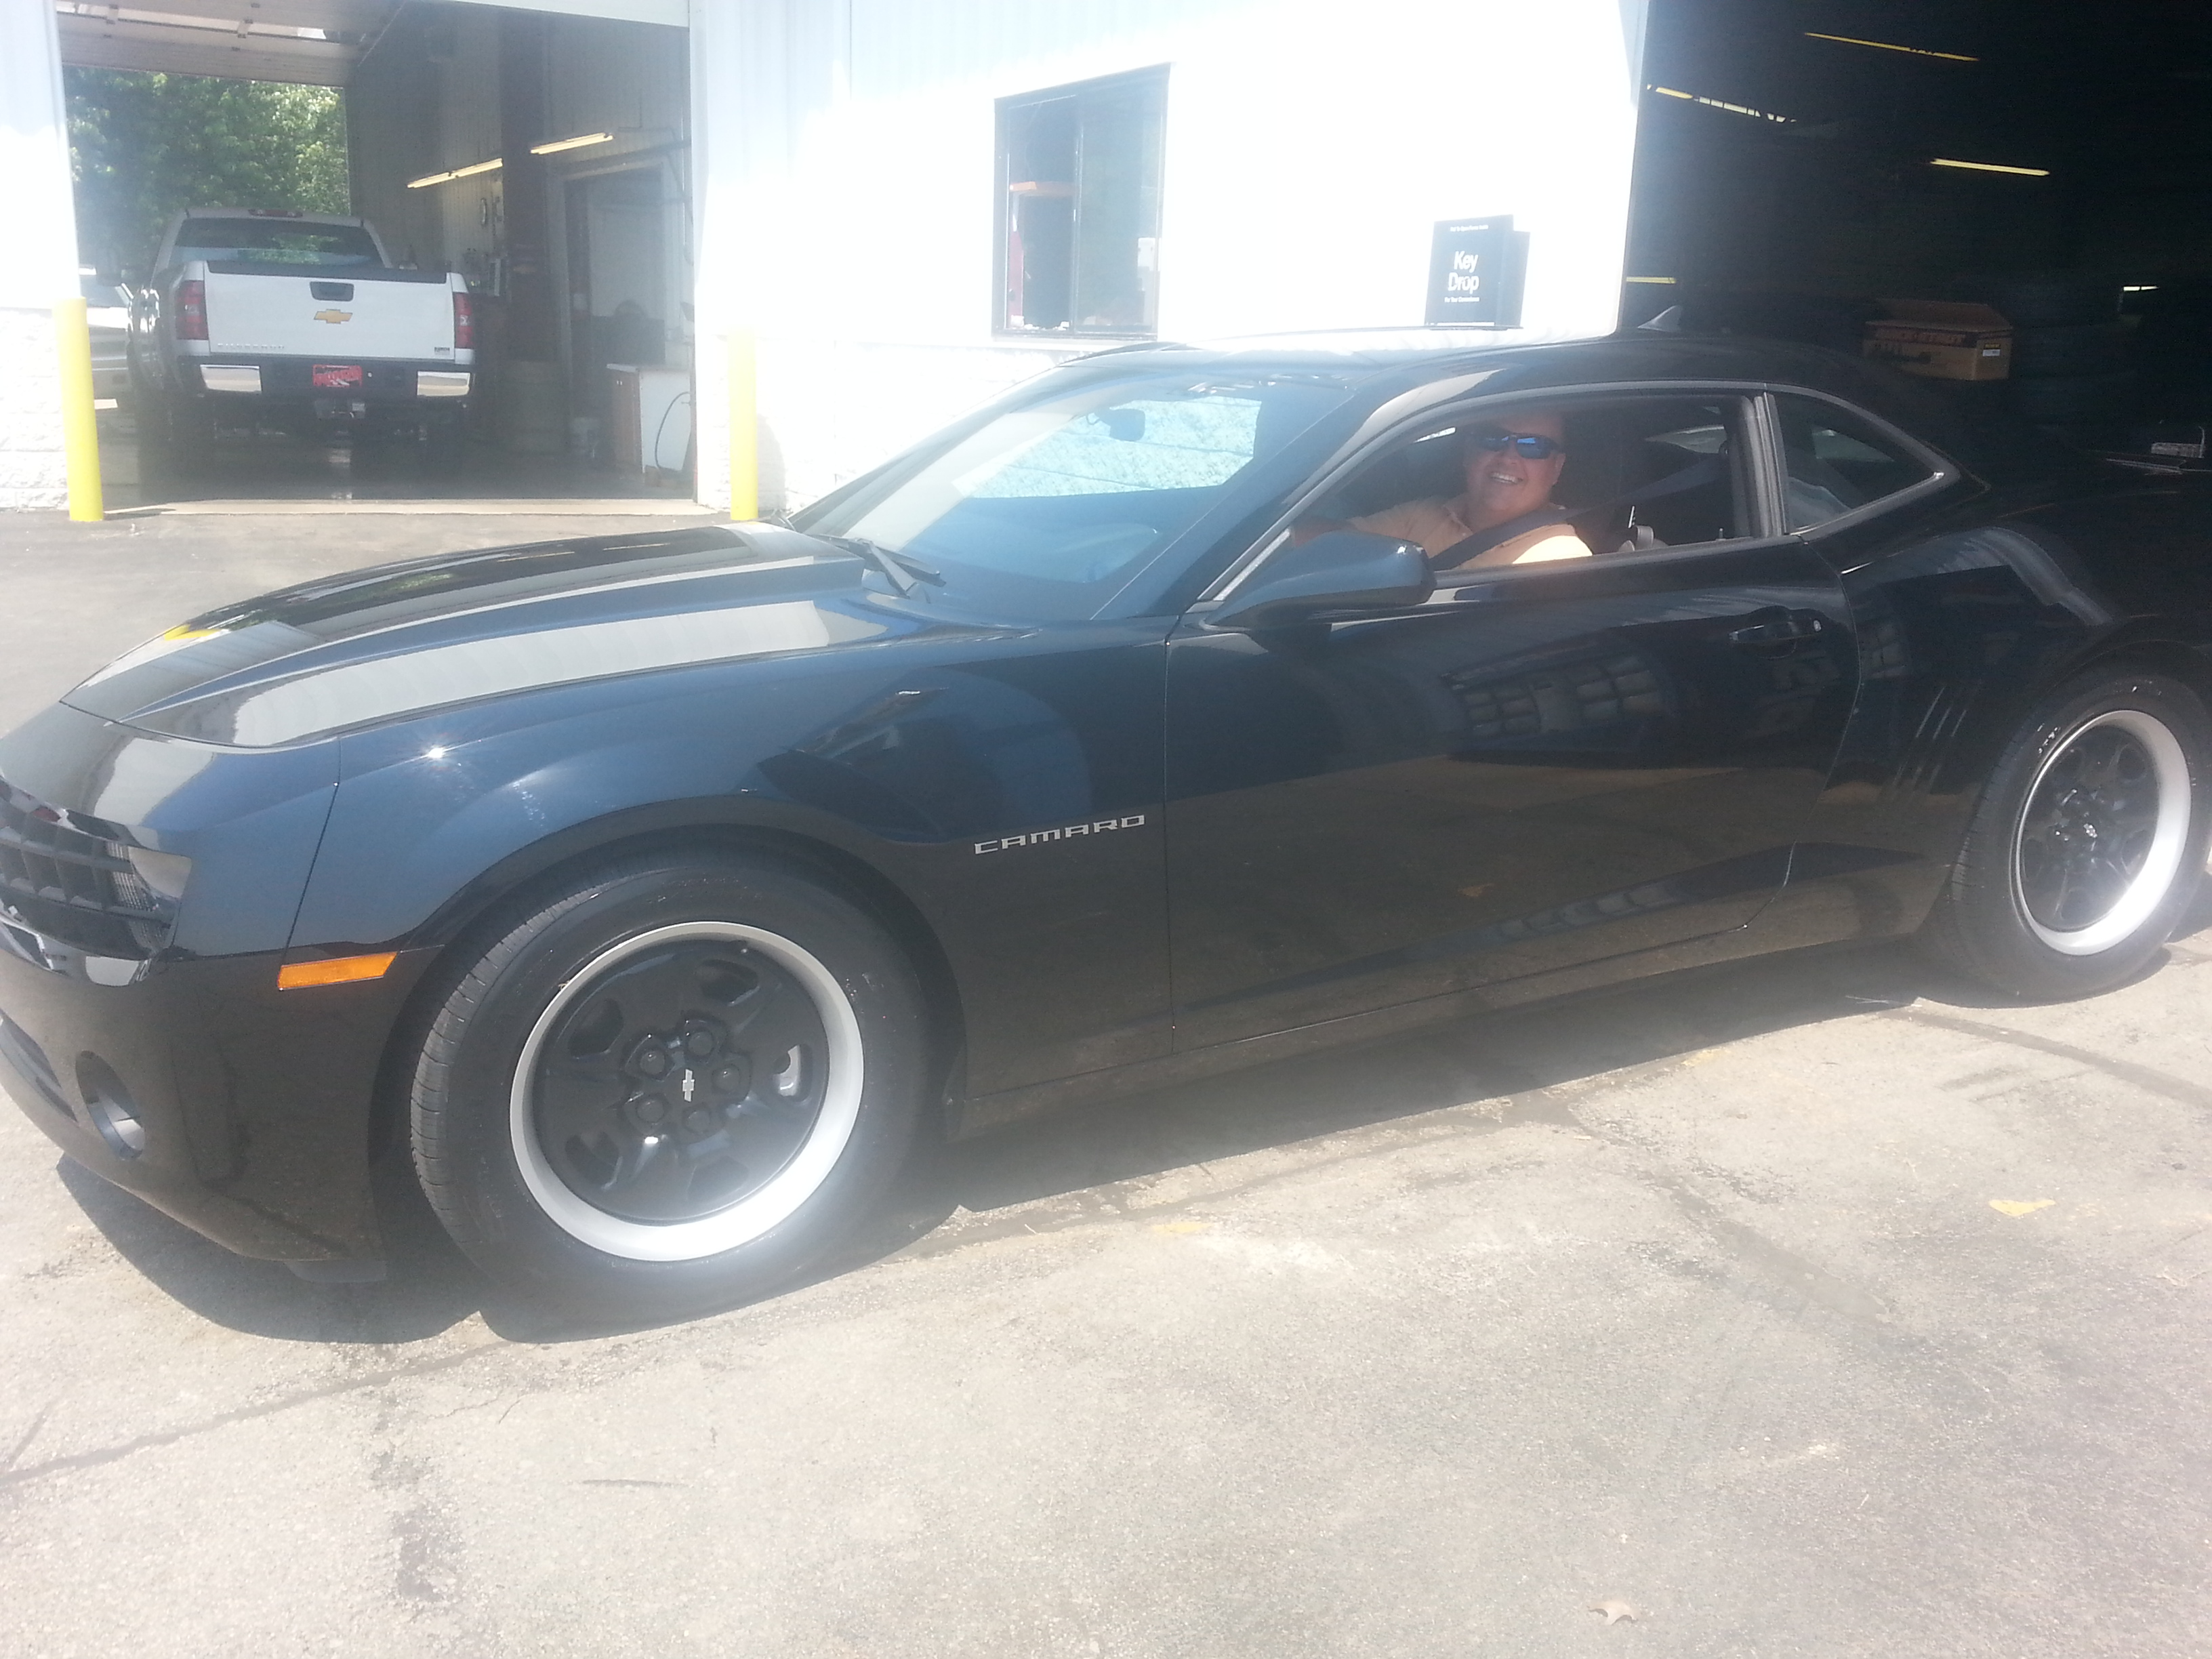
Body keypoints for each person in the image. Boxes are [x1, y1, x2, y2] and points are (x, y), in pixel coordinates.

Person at [1324, 410, 1593, 570]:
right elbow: (1326, 544)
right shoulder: (1425, 513)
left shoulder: (1557, 558)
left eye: (1533, 446)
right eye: (1492, 438)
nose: (1508, 456)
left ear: (1556, 468)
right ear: (1467, 453)